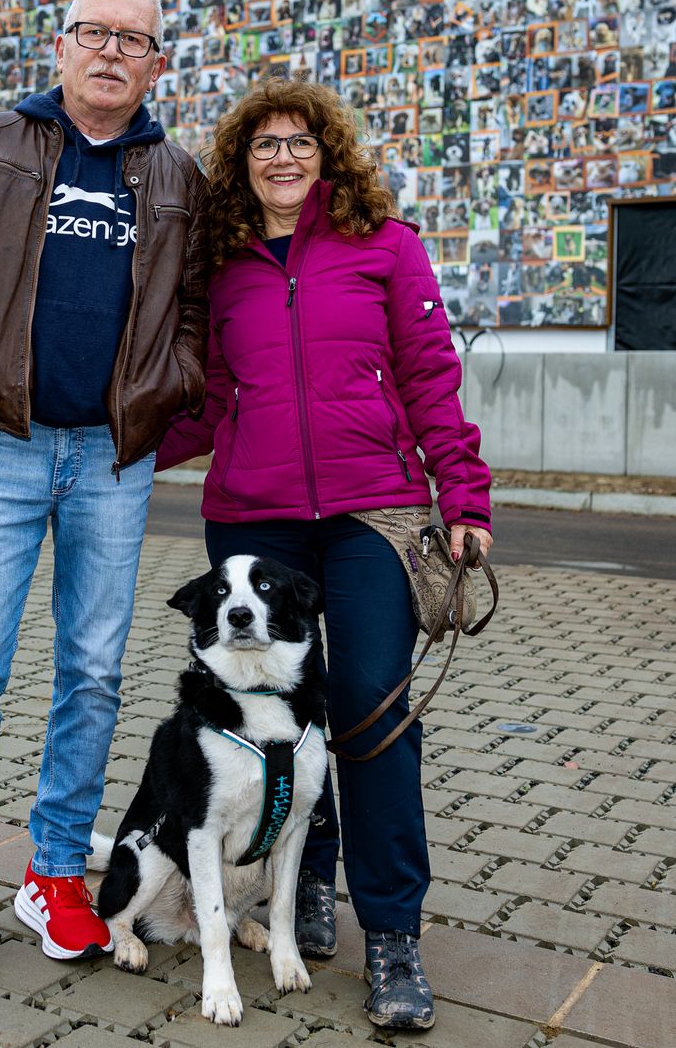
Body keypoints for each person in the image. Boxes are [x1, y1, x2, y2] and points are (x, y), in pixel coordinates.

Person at [0, 0, 207, 972]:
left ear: (158, 63)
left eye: (132, 41)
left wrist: (168, 384)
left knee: (94, 671)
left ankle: (55, 872)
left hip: (111, 457)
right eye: (92, 33)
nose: (110, 52)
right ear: (60, 45)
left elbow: (193, 313)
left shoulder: (176, 178)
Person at [157, 77, 493, 1030]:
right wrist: (122, 450)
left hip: (373, 515)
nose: (283, 157)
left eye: (299, 141)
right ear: (242, 162)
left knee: (371, 713)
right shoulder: (222, 264)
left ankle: (392, 935)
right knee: (274, 718)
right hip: (253, 525)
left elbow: (431, 376)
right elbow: (214, 397)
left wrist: (461, 491)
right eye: (263, 144)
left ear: (327, 152)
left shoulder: (385, 247)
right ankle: (304, 887)